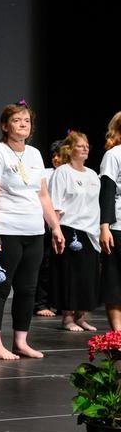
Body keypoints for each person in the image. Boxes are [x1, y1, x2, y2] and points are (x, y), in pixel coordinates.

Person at [0, 102, 64, 360]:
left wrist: (56, 227)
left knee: (27, 288)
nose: (23, 124)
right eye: (16, 120)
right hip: (7, 229)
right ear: (5, 126)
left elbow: (43, 196)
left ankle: (20, 341)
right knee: (0, 287)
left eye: (26, 120)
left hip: (34, 231)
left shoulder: (35, 155)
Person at [48, 131, 100, 331]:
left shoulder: (93, 174)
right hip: (70, 229)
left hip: (90, 232)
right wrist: (56, 229)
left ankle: (81, 316)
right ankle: (68, 318)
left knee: (88, 276)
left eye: (87, 145)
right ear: (69, 149)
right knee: (70, 275)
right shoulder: (63, 172)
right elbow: (55, 202)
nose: (85, 148)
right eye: (80, 145)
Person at [34, 139, 64, 318]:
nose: (55, 159)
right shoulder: (45, 173)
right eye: (53, 155)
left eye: (59, 155)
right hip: (47, 224)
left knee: (61, 267)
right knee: (44, 266)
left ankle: (61, 303)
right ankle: (41, 303)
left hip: (66, 225)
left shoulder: (70, 173)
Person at [100, 111, 121, 331]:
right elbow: (107, 190)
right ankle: (118, 334)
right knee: (115, 279)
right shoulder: (114, 154)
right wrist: (104, 226)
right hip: (118, 226)